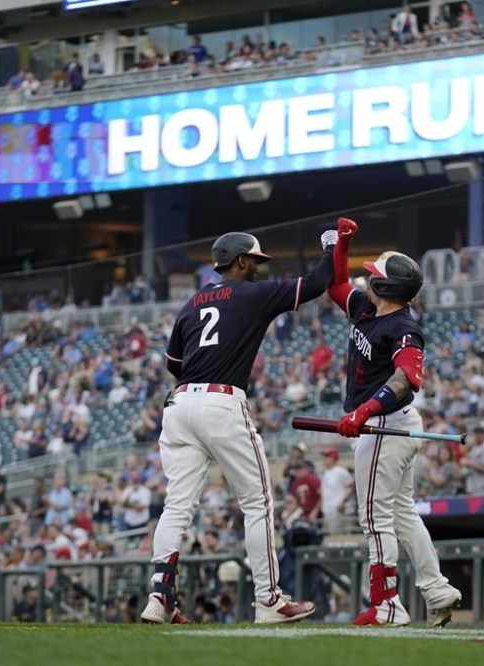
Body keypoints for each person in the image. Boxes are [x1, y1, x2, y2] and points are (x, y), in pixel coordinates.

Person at [141, 231, 334, 625]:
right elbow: (317, 283)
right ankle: (269, 600)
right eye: (255, 262)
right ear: (241, 261)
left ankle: (159, 598)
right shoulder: (252, 294)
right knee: (257, 502)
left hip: (179, 405)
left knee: (177, 506)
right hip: (220, 402)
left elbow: (174, 365)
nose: (258, 268)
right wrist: (332, 248)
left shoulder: (192, 302)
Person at [326, 217, 461, 627]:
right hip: (390, 426)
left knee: (374, 516)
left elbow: (407, 380)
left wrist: (364, 411)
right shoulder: (368, 309)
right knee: (402, 513)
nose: (367, 281)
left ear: (386, 288)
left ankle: (386, 604)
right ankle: (437, 590)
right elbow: (335, 285)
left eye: (373, 278)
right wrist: (342, 246)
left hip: (385, 426)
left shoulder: (404, 326)